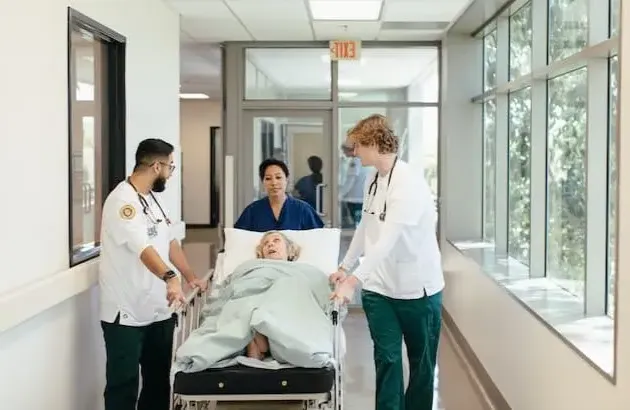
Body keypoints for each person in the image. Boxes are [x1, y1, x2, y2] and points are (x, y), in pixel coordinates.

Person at [329, 114, 445, 410]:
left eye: (357, 146)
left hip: (418, 289)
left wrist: (352, 282)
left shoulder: (408, 183)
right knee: (388, 360)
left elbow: (387, 240)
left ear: (374, 143)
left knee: (421, 365)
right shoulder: (372, 178)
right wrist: (345, 267)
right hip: (380, 289)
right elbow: (366, 227)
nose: (353, 152)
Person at [98, 138, 209, 410]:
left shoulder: (154, 200)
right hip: (125, 312)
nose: (171, 173)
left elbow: (169, 243)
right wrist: (171, 278)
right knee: (123, 387)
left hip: (159, 308)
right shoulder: (122, 201)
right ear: (156, 165)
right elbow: (143, 249)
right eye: (171, 167)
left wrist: (190, 275)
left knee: (159, 384)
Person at [246, 230, 301, 360]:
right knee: (245, 304)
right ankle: (255, 340)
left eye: (276, 240)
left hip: (285, 309)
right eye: (266, 244)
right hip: (257, 304)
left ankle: (262, 342)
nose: (270, 245)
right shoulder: (251, 270)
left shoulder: (301, 271)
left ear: (289, 250)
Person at [235, 158, 324, 232]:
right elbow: (239, 239)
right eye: (268, 178)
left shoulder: (304, 210)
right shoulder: (252, 211)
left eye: (278, 177)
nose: (274, 183)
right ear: (263, 182)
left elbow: (317, 241)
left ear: (286, 179)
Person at [339, 143, 369, 228]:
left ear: (350, 150)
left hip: (354, 199)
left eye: (344, 151)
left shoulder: (355, 161)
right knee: (361, 224)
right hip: (361, 198)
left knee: (357, 225)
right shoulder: (363, 159)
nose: (344, 153)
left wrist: (339, 195)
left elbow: (350, 180)